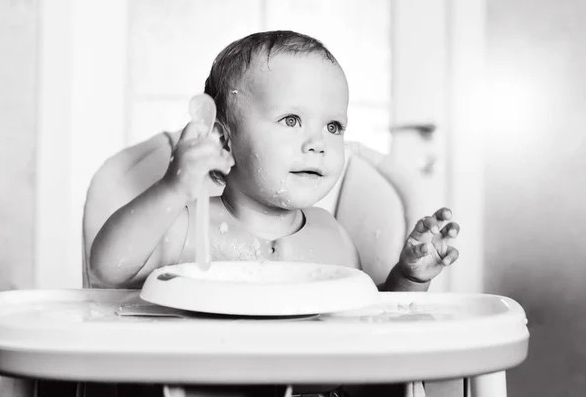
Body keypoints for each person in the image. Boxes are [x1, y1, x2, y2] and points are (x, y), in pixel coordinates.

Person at [89, 30, 460, 396]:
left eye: (333, 126)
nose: (317, 143)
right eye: (291, 120)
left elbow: (367, 323)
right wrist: (171, 189)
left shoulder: (331, 236)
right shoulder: (185, 226)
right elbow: (107, 269)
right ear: (223, 140)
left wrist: (408, 279)